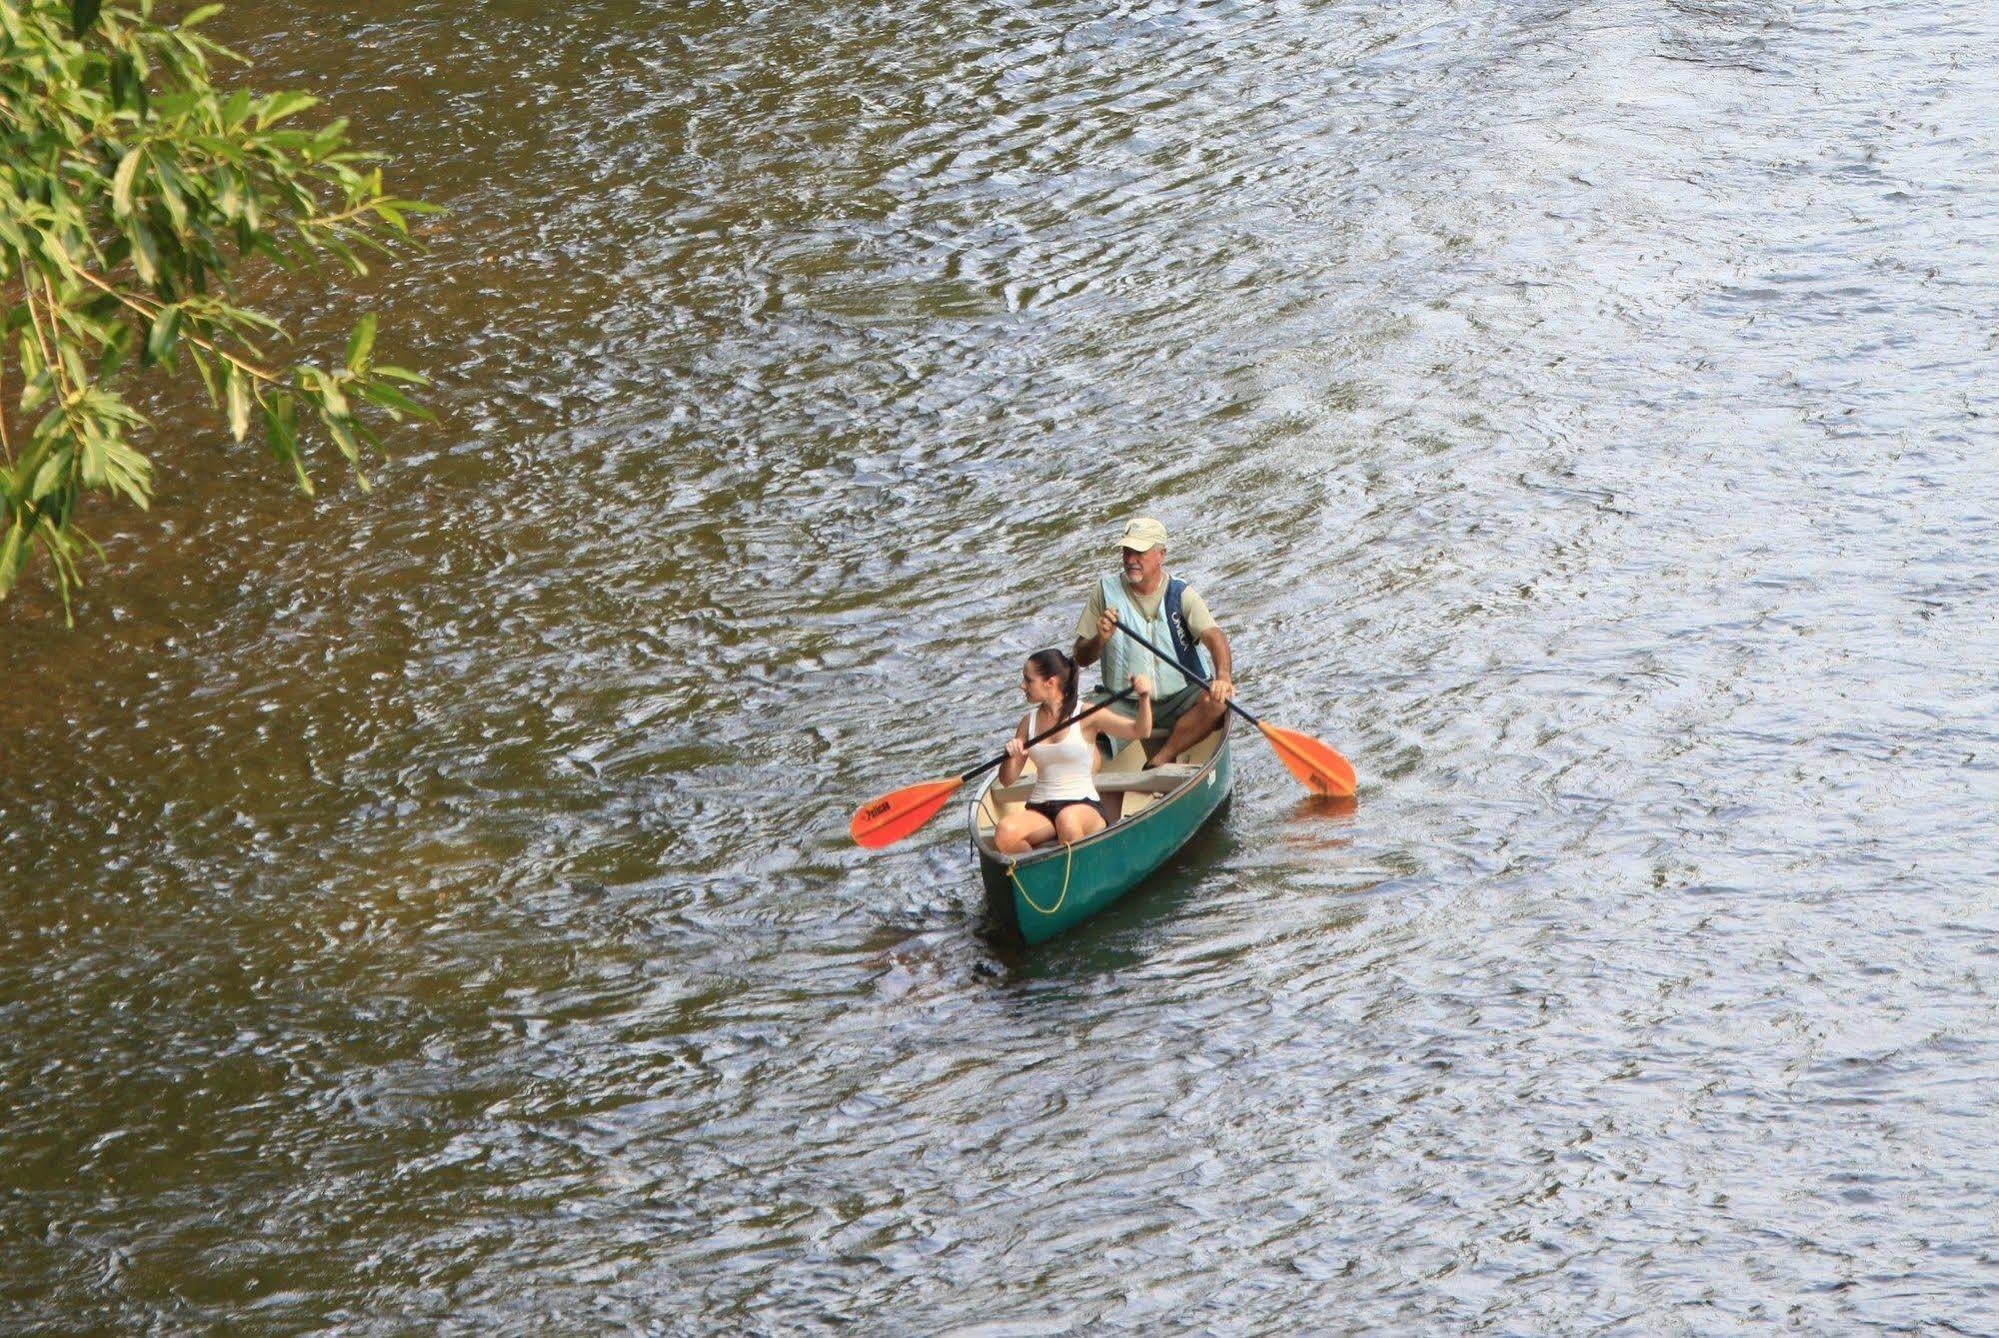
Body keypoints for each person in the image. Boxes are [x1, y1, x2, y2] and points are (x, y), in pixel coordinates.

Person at [1072, 516, 1234, 768]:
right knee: (1081, 721)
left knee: (1219, 701)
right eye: (1126, 551)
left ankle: (1162, 758)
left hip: (1180, 698)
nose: (1130, 559)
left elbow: (1214, 636)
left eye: (1139, 552)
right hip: (1125, 701)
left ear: (1161, 554)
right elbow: (1081, 657)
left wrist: (1223, 677)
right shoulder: (1104, 592)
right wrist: (1100, 639)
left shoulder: (1181, 594)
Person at [993, 650, 1154, 855]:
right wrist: (1011, 756)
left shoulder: (1085, 714)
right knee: (1004, 833)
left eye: (1028, 680)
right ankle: (1040, 874)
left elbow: (1141, 730)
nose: (1022, 685)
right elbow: (1007, 780)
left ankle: (1076, 873)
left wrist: (1144, 697)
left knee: (1067, 819)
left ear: (1049, 683)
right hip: (1041, 809)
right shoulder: (1028, 722)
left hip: (1083, 806)